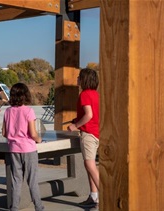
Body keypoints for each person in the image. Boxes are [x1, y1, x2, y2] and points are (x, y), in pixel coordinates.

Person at [2, 83, 44, 211]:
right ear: (26, 95)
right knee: (32, 180)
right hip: (29, 149)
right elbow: (33, 133)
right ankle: (39, 207)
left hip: (14, 149)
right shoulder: (29, 111)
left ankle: (14, 208)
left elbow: (4, 133)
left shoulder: (7, 111)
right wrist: (39, 139)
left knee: (16, 180)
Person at [67, 68, 99, 208]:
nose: (77, 79)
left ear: (84, 80)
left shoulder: (84, 94)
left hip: (89, 133)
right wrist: (77, 120)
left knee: (89, 164)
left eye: (79, 77)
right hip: (97, 132)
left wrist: (76, 126)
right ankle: (93, 196)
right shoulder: (96, 94)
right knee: (89, 165)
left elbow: (89, 115)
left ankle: (105, 195)